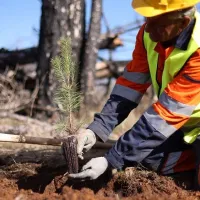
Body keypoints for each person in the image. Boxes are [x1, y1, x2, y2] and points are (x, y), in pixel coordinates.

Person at [69, 0, 200, 189]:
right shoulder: (149, 35)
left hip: (184, 121)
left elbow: (165, 115)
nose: (147, 29)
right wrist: (96, 129)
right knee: (144, 158)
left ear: (183, 22)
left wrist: (111, 160)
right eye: (147, 20)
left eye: (157, 23)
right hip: (182, 127)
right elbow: (129, 87)